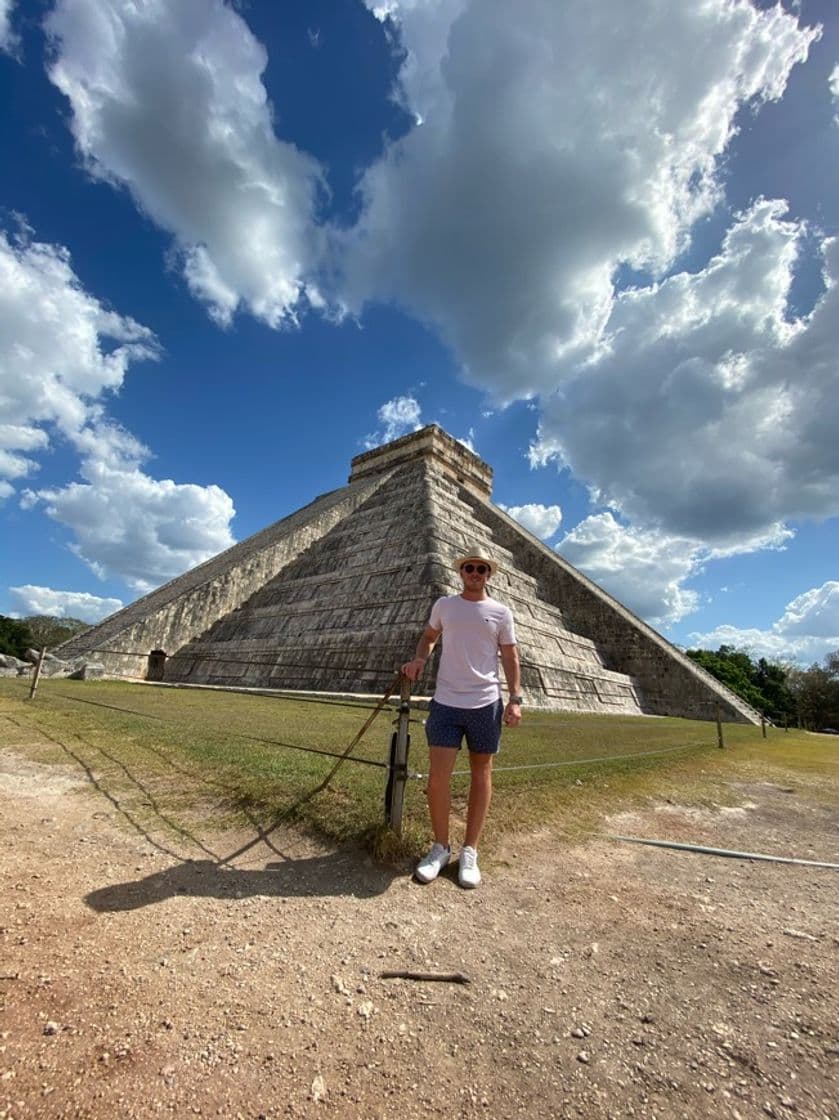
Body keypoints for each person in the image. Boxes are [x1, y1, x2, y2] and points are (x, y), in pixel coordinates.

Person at [402, 546, 522, 888]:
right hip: (446, 701)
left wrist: (515, 699)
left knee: (480, 776)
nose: (475, 573)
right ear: (461, 572)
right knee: (437, 780)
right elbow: (428, 637)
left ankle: (470, 850)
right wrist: (420, 660)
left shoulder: (501, 612)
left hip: (486, 702)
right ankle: (440, 846)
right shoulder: (445, 605)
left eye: (481, 569)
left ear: (489, 574)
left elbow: (511, 657)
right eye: (469, 567)